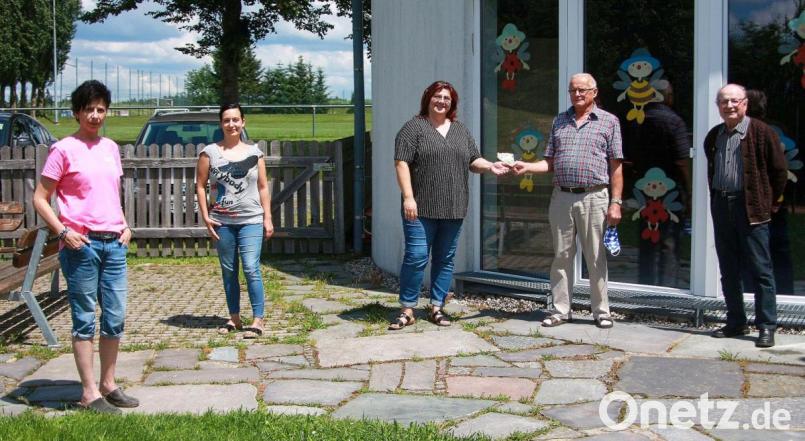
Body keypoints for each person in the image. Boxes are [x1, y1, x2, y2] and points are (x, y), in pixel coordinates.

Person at [32, 80, 139, 413]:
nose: (95, 115)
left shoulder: (110, 148)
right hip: (82, 246)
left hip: (115, 244)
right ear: (77, 112)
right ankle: (88, 392)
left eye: (101, 109)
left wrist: (124, 225)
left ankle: (109, 384)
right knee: (83, 319)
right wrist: (64, 232)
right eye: (89, 109)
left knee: (115, 317)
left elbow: (110, 194)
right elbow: (40, 198)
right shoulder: (63, 149)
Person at [389, 80, 509, 330]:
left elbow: (473, 160)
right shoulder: (413, 128)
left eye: (446, 98)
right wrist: (408, 197)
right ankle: (407, 309)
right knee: (416, 256)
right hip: (419, 207)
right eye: (437, 96)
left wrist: (490, 166)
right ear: (428, 99)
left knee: (444, 259)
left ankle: (436, 307)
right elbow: (401, 163)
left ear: (452, 103)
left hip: (454, 207)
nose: (441, 101)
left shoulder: (460, 131)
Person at [512, 73, 624, 329]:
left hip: (594, 195)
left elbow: (616, 167)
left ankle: (601, 311)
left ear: (595, 92)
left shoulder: (609, 122)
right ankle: (561, 310)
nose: (577, 94)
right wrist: (526, 166)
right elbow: (549, 162)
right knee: (561, 256)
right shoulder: (559, 121)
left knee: (595, 256)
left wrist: (615, 202)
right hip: (562, 195)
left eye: (583, 90)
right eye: (573, 90)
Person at [704, 84, 787, 348]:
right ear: (718, 106)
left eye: (734, 101)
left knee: (760, 269)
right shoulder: (714, 135)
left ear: (745, 104)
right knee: (728, 269)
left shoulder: (762, 133)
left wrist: (771, 201)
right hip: (722, 206)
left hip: (751, 208)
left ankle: (766, 326)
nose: (729, 106)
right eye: (724, 102)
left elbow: (779, 171)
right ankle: (736, 321)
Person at [196, 104, 274, 339]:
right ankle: (234, 317)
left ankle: (258, 319)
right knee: (229, 270)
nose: (231, 124)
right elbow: (200, 186)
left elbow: (262, 186)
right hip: (223, 222)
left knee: (251, 267)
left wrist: (267, 217)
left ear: (243, 122)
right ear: (221, 124)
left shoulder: (255, 153)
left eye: (236, 120)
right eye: (227, 120)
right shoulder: (209, 153)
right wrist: (206, 217)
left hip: (251, 219)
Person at [621, 83, 691, 288]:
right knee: (669, 240)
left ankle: (646, 286)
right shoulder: (674, 121)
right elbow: (682, 161)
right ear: (667, 96)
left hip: (643, 187)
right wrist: (690, 190)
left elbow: (627, 157)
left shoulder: (636, 121)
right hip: (669, 188)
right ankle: (666, 290)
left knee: (647, 238)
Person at [744, 89, 794, 295]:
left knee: (749, 251)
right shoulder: (777, 130)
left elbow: (780, 170)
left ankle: (750, 293)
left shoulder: (743, 131)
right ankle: (784, 294)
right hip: (773, 199)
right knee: (778, 249)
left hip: (755, 200)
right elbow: (782, 170)